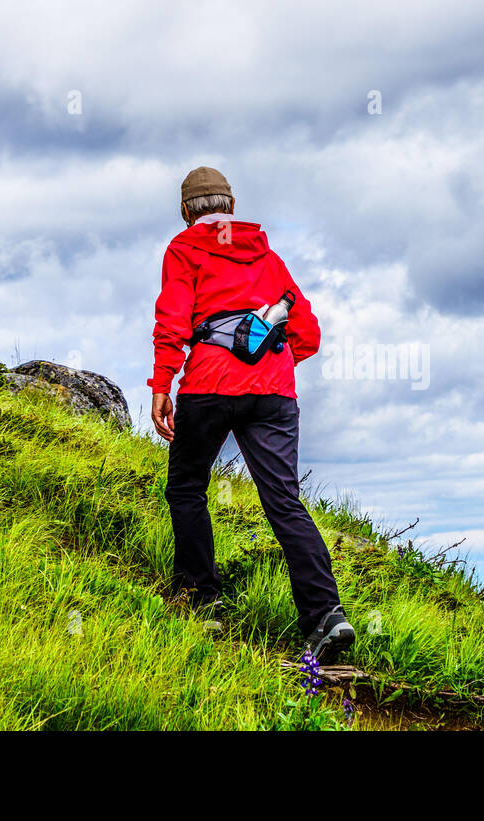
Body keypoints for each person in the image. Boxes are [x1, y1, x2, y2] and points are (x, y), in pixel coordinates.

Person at [148, 166, 354, 663]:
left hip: (208, 385)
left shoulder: (183, 250)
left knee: (187, 488)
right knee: (284, 501)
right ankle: (327, 617)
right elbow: (308, 333)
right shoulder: (269, 257)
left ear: (185, 211)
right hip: (274, 392)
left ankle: (202, 599)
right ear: (231, 206)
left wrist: (162, 385)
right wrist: (270, 363)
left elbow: (172, 322)